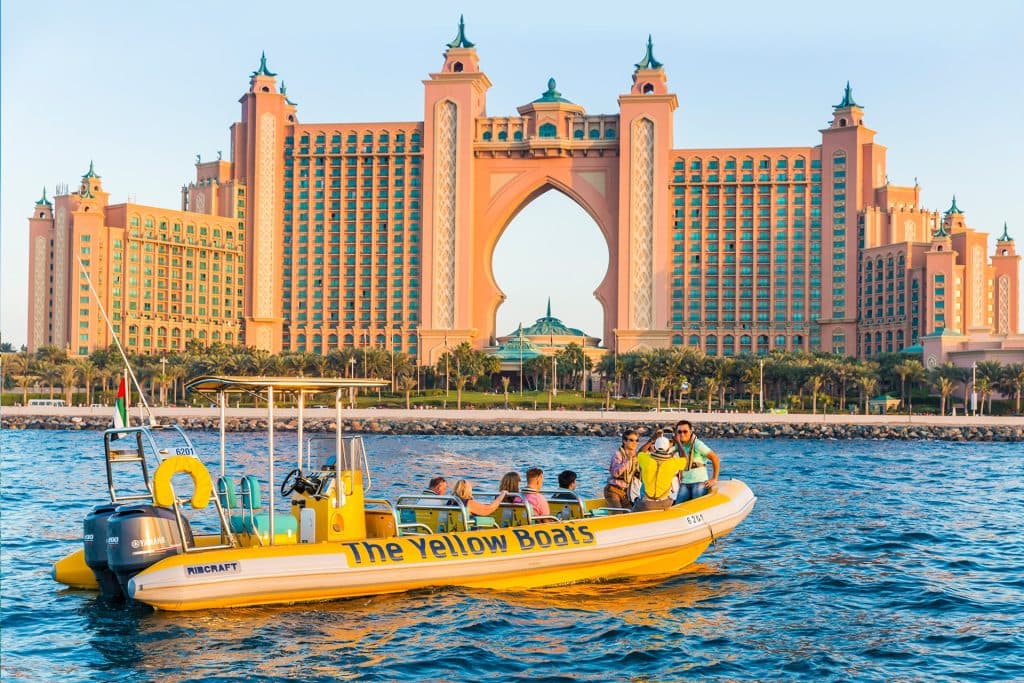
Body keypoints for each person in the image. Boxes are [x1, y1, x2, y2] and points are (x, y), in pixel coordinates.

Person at [670, 420, 721, 504]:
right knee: (677, 505)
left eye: (685, 431)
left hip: (699, 482)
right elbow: (666, 452)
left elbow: (715, 458)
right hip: (685, 482)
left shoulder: (697, 444)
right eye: (679, 432)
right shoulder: (678, 445)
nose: (682, 434)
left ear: (690, 432)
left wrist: (714, 478)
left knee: (696, 505)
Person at [632, 436, 688, 512]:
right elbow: (685, 459)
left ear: (654, 448)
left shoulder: (646, 459)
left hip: (646, 504)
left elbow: (640, 452)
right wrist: (678, 442)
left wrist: (650, 441)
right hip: (664, 503)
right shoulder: (673, 463)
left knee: (633, 510)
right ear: (668, 449)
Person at [604, 429, 640, 508]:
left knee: (631, 512)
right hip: (613, 490)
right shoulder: (618, 455)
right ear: (624, 441)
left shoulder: (636, 457)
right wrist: (627, 460)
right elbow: (615, 473)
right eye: (631, 440)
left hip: (626, 492)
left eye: (636, 440)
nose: (635, 443)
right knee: (618, 513)